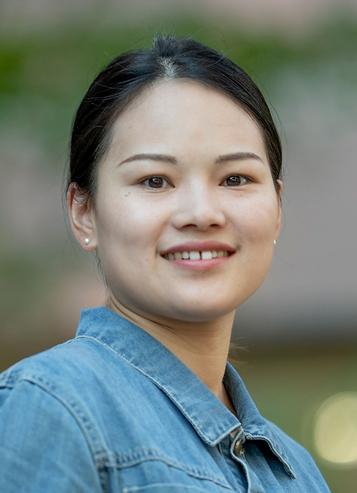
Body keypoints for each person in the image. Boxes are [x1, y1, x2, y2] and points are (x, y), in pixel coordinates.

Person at [0, 33, 330, 492]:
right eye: (155, 180)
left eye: (235, 178)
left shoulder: (296, 473)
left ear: (277, 207)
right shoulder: (53, 404)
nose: (201, 213)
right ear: (84, 212)